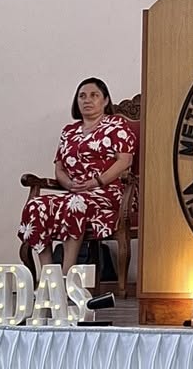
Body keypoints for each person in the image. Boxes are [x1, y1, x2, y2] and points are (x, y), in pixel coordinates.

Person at [18, 78, 137, 276]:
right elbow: (60, 168)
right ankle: (49, 276)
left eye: (94, 95)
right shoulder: (69, 131)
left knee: (75, 204)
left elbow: (125, 161)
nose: (87, 100)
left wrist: (96, 181)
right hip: (75, 192)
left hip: (108, 191)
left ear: (105, 100)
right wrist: (69, 184)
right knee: (36, 206)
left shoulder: (116, 125)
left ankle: (67, 274)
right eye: (82, 96)